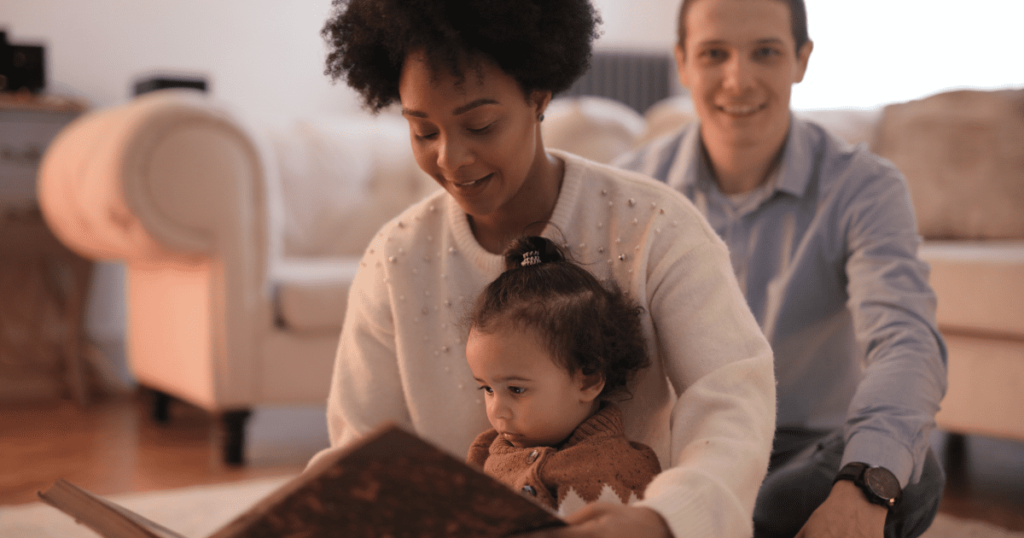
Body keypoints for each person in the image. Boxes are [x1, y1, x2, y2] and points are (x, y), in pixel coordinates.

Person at [309, 0, 778, 536]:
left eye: (480, 125)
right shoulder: (395, 258)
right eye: (423, 132)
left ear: (538, 97)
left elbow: (731, 397)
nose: (451, 158)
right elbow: (361, 448)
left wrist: (663, 518)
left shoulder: (655, 226)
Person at [613, 0, 948, 537]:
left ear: (801, 60)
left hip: (802, 456)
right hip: (680, 454)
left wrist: (861, 489)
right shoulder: (628, 191)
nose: (738, 80)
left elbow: (906, 341)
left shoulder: (865, 186)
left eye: (765, 53)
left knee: (910, 473)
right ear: (683, 63)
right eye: (714, 54)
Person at [465, 235, 662, 515]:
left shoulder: (624, 470)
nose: (498, 411)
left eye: (516, 389)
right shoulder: (485, 453)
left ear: (588, 379)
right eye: (486, 389)